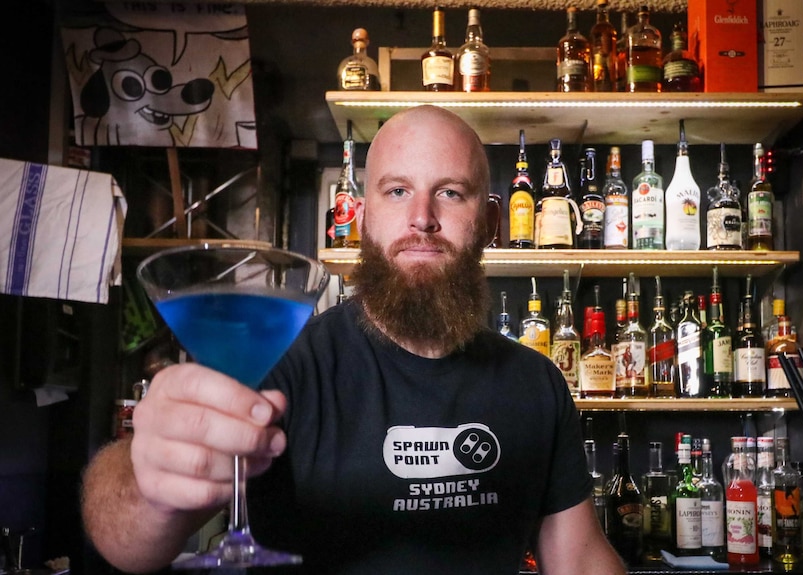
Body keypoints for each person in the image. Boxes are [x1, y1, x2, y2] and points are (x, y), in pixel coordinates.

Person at [81, 105, 626, 575]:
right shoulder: (285, 365)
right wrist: (148, 479)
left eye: (450, 193)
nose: (422, 219)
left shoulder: (535, 383)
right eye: (397, 191)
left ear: (489, 223)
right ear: (361, 220)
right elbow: (124, 541)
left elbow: (578, 560)